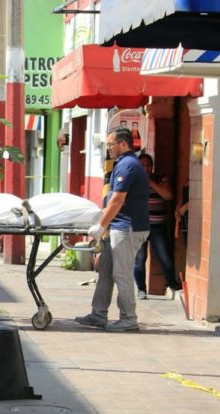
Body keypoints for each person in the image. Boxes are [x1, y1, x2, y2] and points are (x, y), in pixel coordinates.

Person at [75, 127, 150, 332]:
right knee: (106, 271)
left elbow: (116, 201)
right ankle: (98, 314)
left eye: (111, 144)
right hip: (118, 227)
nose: (108, 148)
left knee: (121, 274)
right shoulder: (123, 164)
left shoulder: (128, 166)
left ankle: (129, 318)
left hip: (127, 229)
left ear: (123, 144)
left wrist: (101, 226)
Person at [133, 154, 182, 299]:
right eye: (142, 166)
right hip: (139, 227)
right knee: (140, 259)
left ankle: (171, 283)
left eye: (148, 165)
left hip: (157, 227)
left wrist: (150, 182)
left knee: (164, 257)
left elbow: (168, 195)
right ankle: (141, 289)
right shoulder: (133, 180)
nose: (146, 168)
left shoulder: (161, 178)